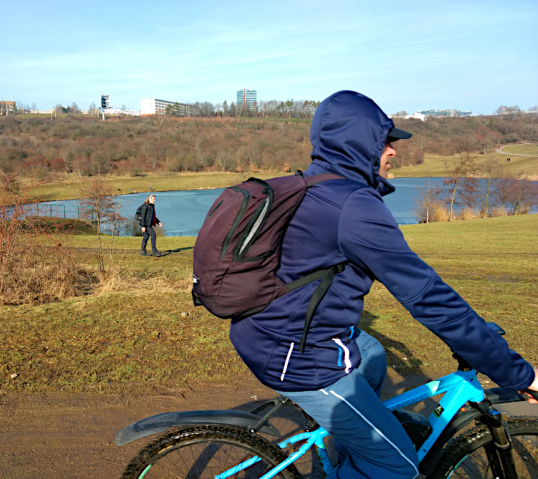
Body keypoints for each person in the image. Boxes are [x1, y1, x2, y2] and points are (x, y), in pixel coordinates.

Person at [229, 91, 537, 478]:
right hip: (299, 358)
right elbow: (428, 297)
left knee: (372, 356)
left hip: (271, 330)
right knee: (397, 465)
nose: (393, 151)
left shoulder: (314, 185)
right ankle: (370, 460)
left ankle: (353, 449)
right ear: (358, 141)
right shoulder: (352, 206)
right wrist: (517, 372)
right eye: (386, 140)